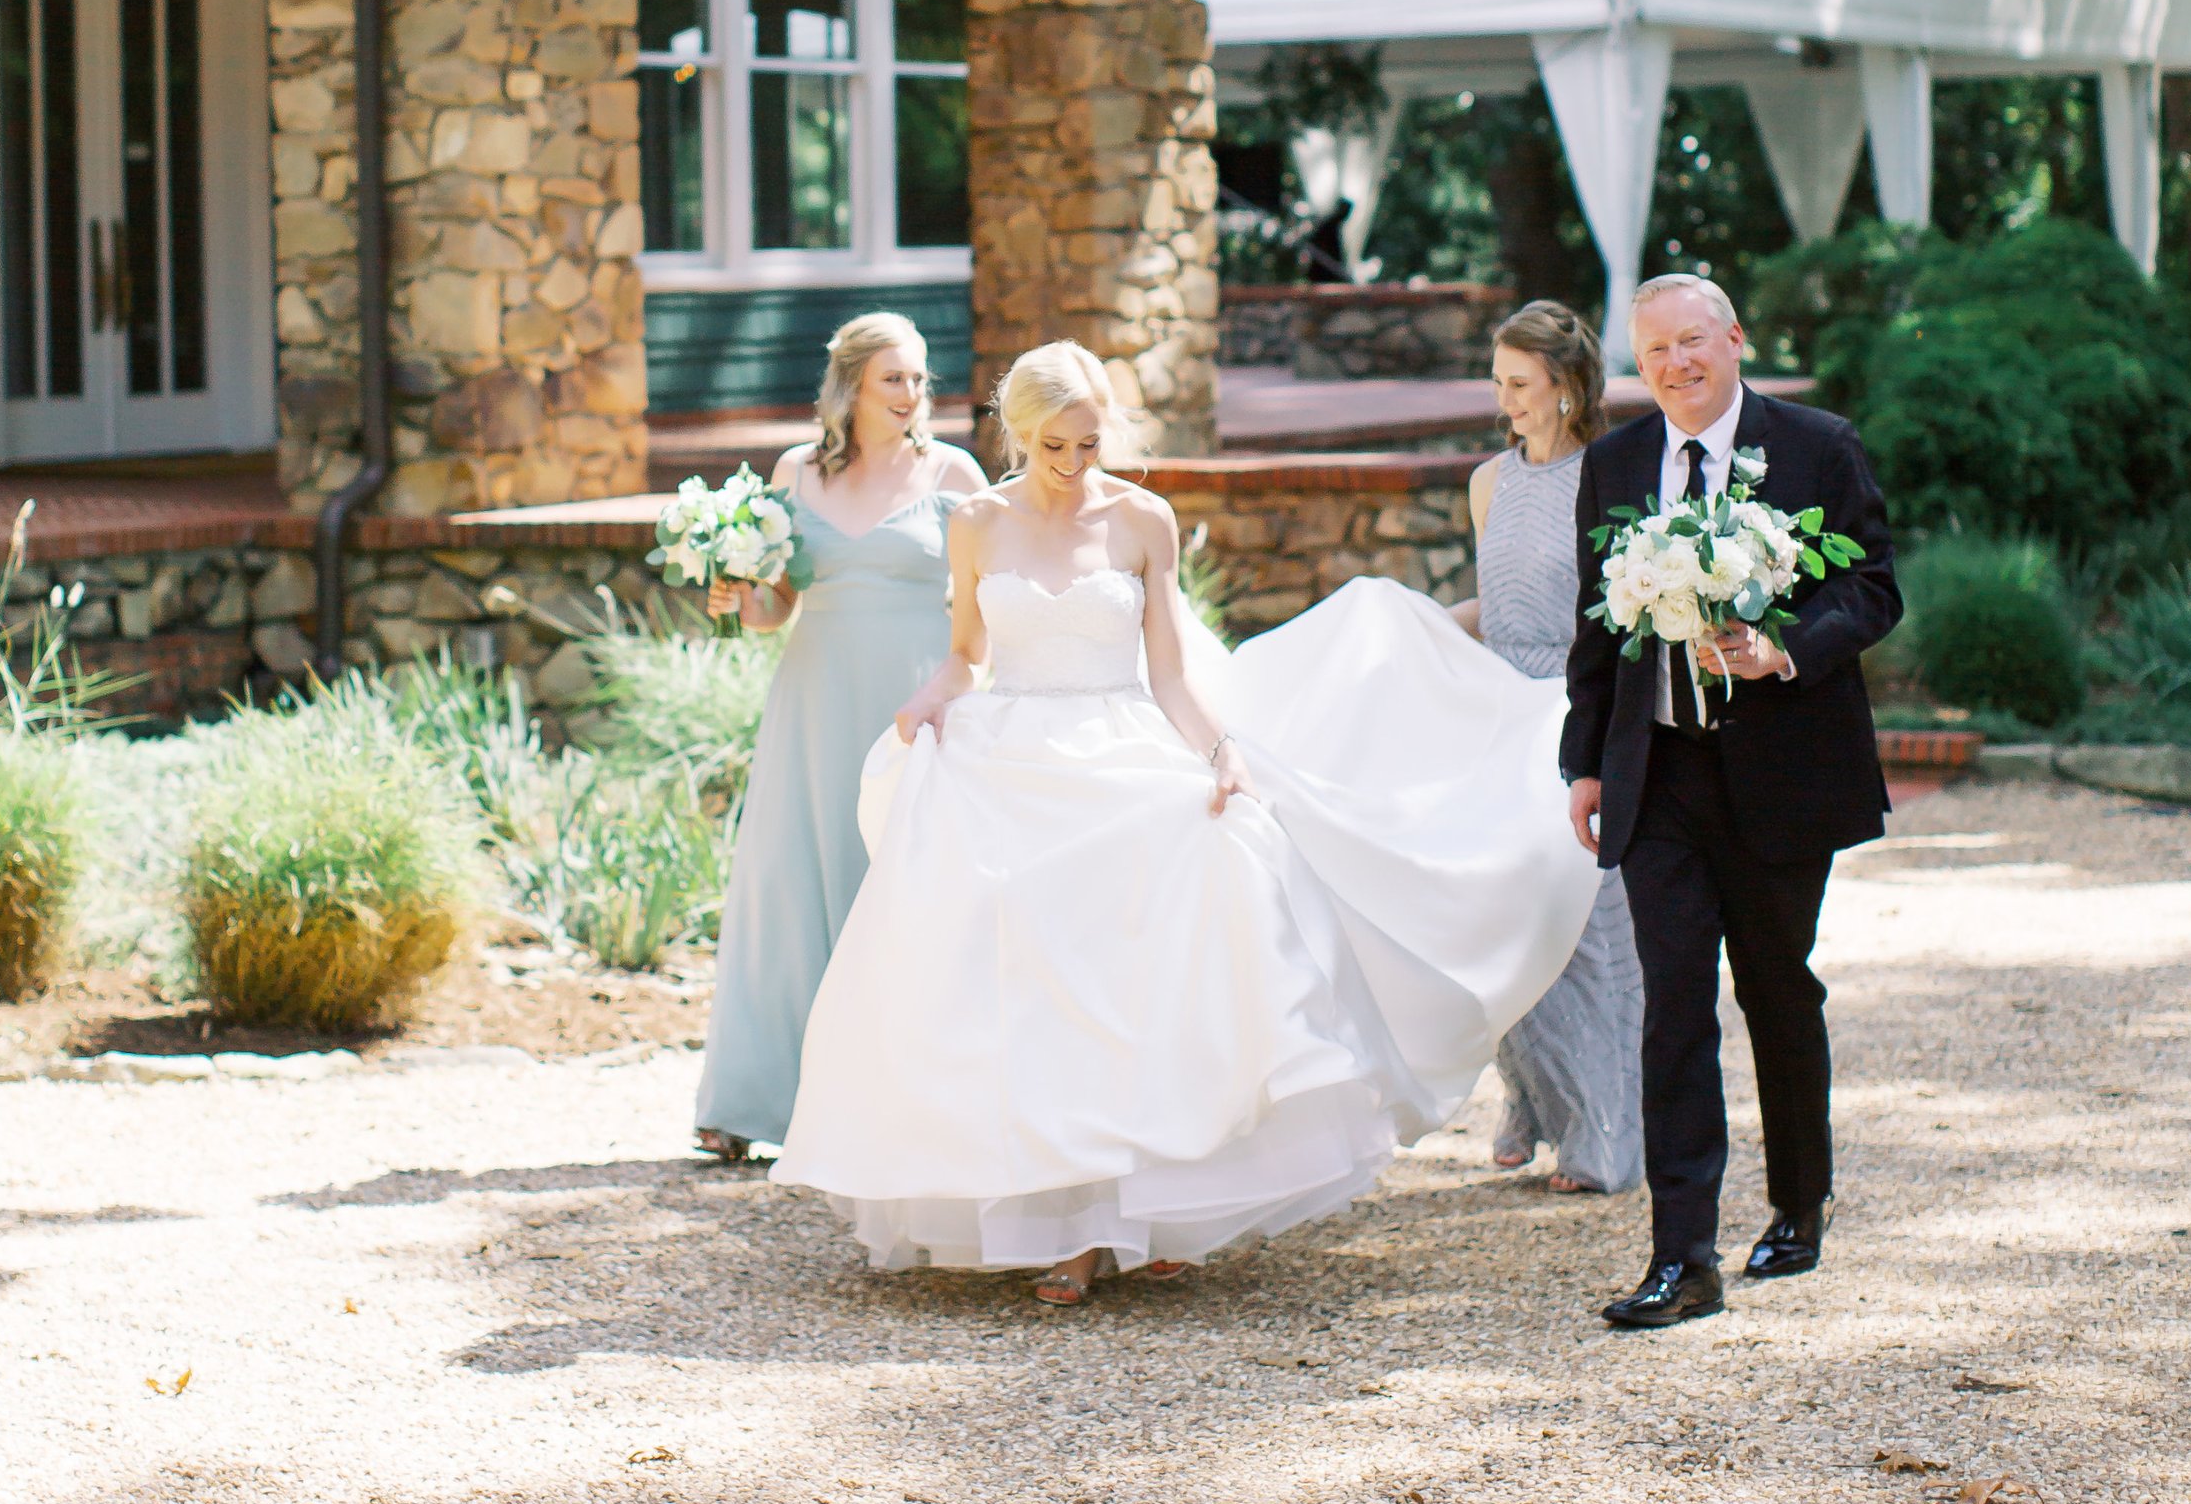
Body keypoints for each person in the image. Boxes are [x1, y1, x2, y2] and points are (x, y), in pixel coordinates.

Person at [776, 339, 1596, 1305]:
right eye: (1055, 446)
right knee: (1029, 984)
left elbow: (1167, 670)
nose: (1078, 463)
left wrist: (1221, 752)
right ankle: (1067, 1222)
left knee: (1153, 972)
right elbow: (967, 657)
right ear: (1018, 434)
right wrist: (928, 700)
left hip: (1121, 744)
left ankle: (1155, 1208)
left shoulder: (1141, 519)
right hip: (1012, 761)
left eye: (1090, 441)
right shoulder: (978, 522)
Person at [1562, 272, 1900, 1332]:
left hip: (1780, 769)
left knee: (1773, 988)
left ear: (1734, 337)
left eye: (1692, 341)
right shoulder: (1616, 464)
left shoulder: (1815, 444)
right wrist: (1584, 761)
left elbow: (1873, 586)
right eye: (1654, 349)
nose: (1676, 364)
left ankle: (1800, 1198)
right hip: (1658, 773)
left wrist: (1784, 648)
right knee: (1672, 1001)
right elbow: (1594, 631)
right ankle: (1682, 1256)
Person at [693, 312, 987, 1165]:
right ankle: (754, 1097)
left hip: (915, 704)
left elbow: (996, 590)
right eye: (895, 377)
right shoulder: (793, 474)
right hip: (814, 700)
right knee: (791, 887)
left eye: (920, 378)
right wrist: (735, 598)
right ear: (852, 383)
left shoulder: (953, 473)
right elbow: (774, 605)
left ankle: (910, 1103)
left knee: (902, 885)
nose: (912, 393)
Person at [1449, 301, 1643, 1196]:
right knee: (1492, 914)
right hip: (1495, 712)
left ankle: (1601, 1123)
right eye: (1498, 384)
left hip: (1575, 710)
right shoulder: (1489, 482)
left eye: (1520, 385)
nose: (1505, 402)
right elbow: (1499, 605)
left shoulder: (1610, 481)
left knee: (1589, 928)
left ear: (1566, 388)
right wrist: (1399, 622)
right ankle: (1530, 1090)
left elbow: (1610, 617)